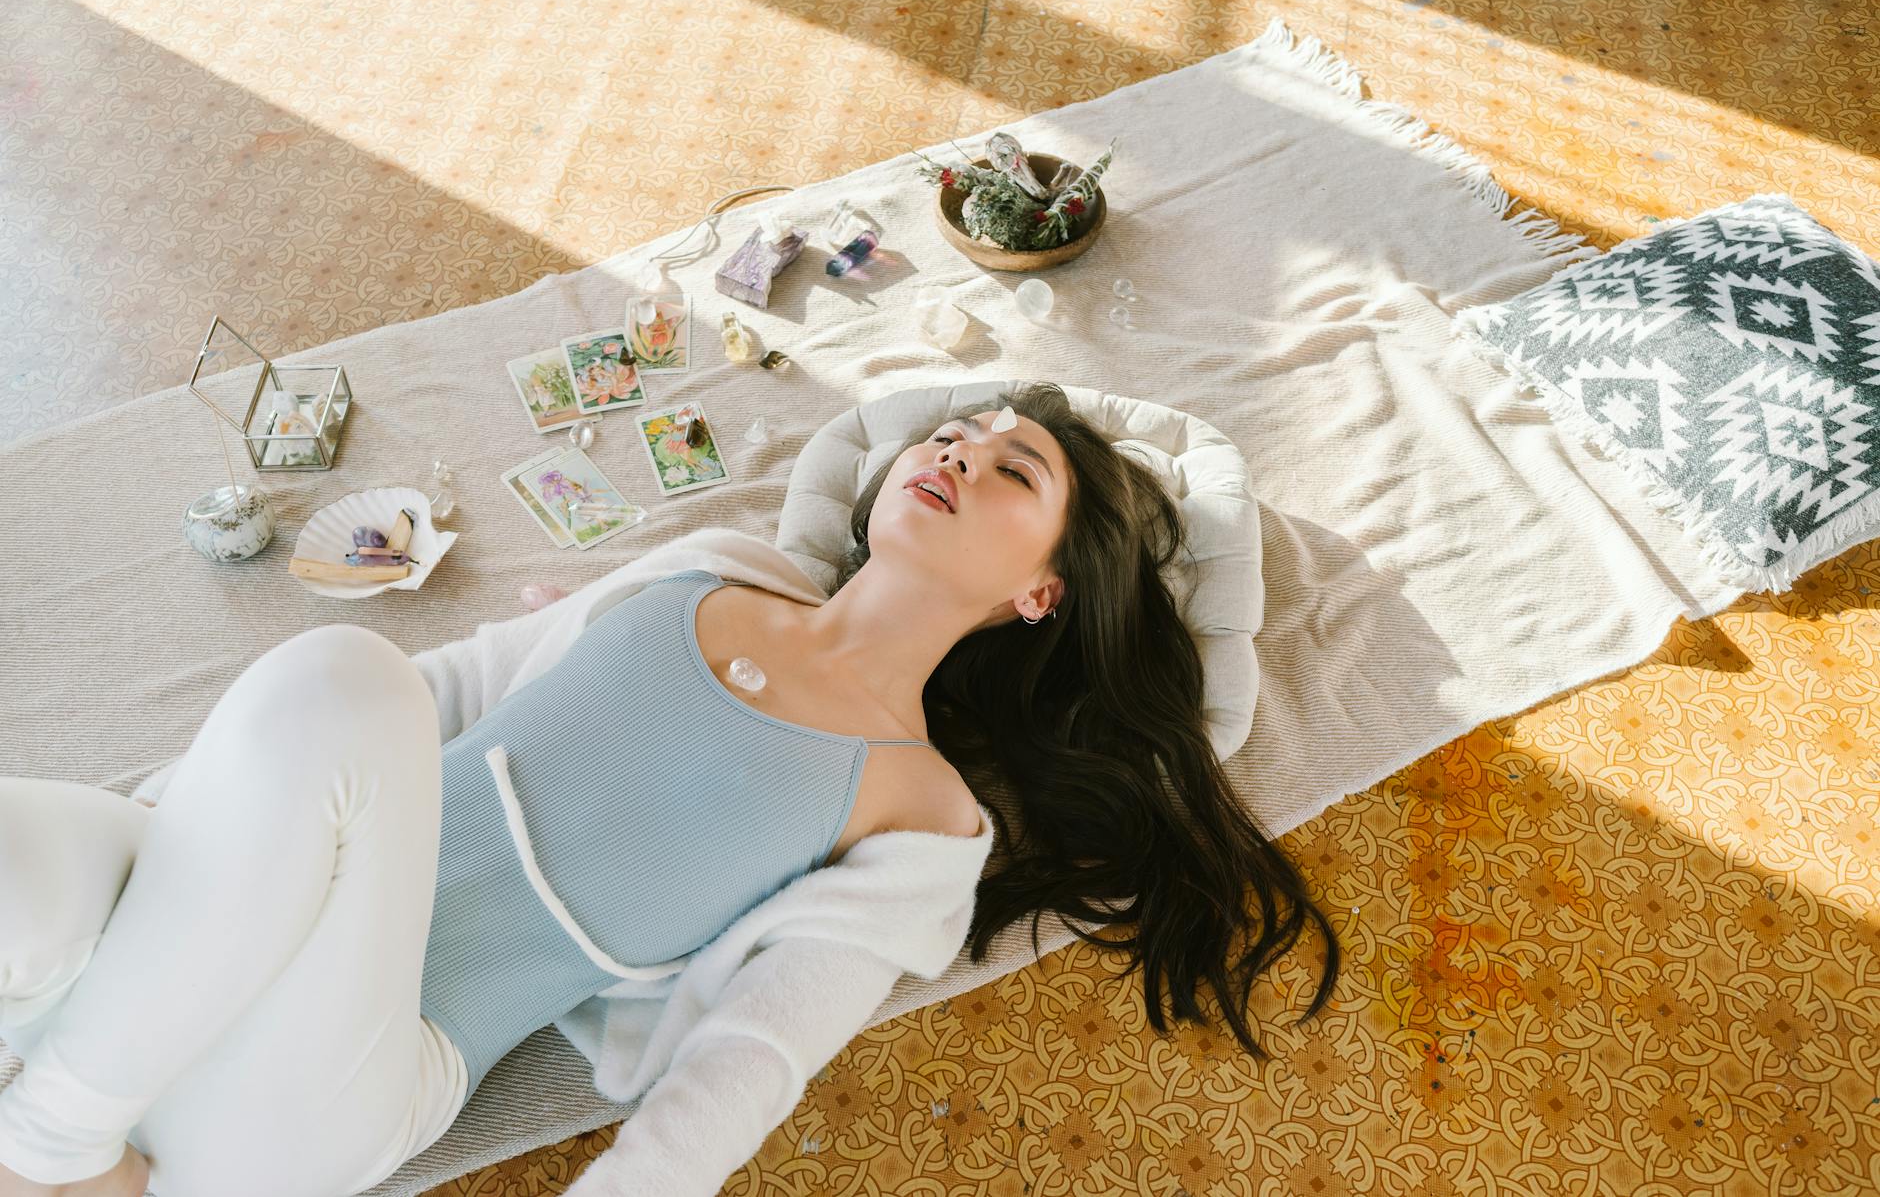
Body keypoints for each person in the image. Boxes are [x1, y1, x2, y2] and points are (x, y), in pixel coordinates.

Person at [0, 382, 1339, 1197]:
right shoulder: (715, 564)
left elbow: (741, 1064)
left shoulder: (920, 812)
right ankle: (58, 1120)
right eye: (957, 433)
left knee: (345, 679)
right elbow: (461, 685)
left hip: (326, 1079)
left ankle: (47, 1140)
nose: (962, 455)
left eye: (1013, 470)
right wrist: (188, 831)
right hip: (176, 950)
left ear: (1038, 591)